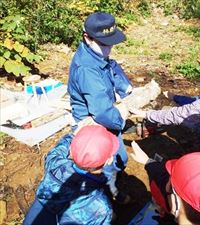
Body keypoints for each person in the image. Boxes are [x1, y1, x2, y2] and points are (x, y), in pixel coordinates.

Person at [67, 12, 132, 202]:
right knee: (108, 159)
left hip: (104, 112)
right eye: (104, 44)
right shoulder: (87, 69)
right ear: (87, 38)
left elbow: (110, 67)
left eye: (111, 42)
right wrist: (121, 117)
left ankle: (110, 184)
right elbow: (101, 111)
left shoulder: (95, 54)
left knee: (117, 157)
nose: (109, 48)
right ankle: (109, 194)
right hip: (95, 121)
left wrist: (122, 85)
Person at [23, 125, 119, 225]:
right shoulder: (101, 209)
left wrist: (73, 135)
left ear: (71, 152)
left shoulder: (55, 165)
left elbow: (58, 150)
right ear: (109, 160)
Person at [130, 141, 200, 225]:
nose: (166, 181)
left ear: (175, 201)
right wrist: (149, 162)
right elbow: (161, 178)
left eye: (170, 181)